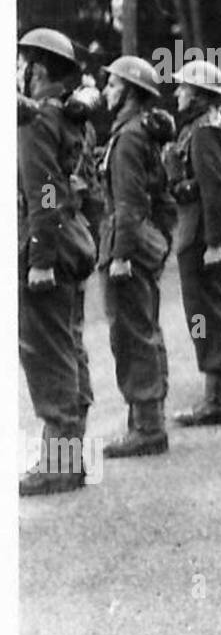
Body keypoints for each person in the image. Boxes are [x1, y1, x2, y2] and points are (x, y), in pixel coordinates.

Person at [17, 28, 98, 495]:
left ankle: (61, 462)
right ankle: (70, 453)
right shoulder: (67, 116)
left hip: (49, 247)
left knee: (48, 355)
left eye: (26, 65)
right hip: (73, 240)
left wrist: (40, 259)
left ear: (40, 70)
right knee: (68, 345)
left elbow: (43, 192)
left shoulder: (35, 122)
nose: (22, 74)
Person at [99, 56, 177, 457]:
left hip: (128, 244)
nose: (105, 92)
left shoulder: (129, 137)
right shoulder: (140, 132)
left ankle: (147, 427)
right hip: (144, 241)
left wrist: (122, 254)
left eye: (112, 85)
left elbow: (128, 202)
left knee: (131, 334)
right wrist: (158, 239)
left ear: (129, 90)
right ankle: (149, 418)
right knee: (144, 328)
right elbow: (160, 197)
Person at [165, 60, 221, 426]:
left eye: (183, 88)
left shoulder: (202, 131)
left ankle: (219, 398)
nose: (177, 93)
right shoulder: (206, 127)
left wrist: (213, 242)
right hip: (198, 232)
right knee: (210, 311)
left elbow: (216, 188)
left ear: (197, 94)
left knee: (206, 313)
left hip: (201, 235)